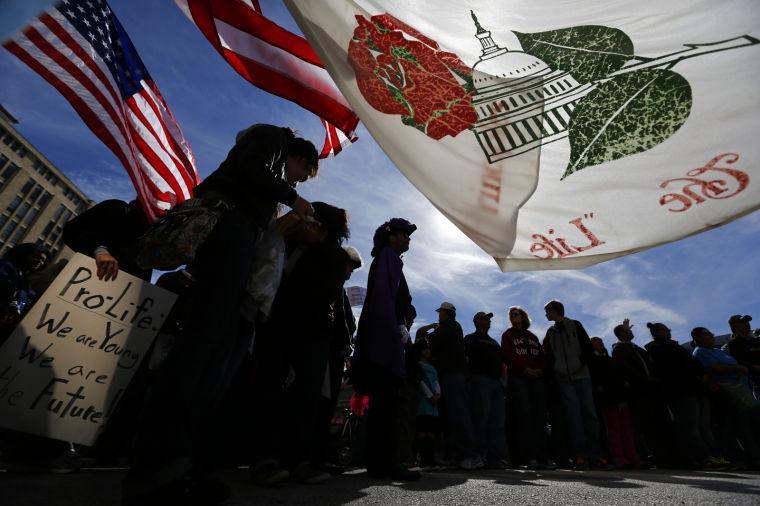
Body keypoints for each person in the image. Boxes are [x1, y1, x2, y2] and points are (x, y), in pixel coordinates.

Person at [123, 124, 319, 505]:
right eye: (302, 173)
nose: (300, 181)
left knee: (212, 355)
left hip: (238, 245)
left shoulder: (265, 183)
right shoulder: (272, 139)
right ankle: (158, 469)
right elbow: (248, 168)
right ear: (299, 158)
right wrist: (292, 198)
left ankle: (180, 464)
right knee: (200, 347)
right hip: (228, 234)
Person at [353, 218, 420, 481]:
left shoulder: (390, 259)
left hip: (385, 339)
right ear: (392, 237)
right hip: (383, 342)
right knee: (386, 405)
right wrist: (396, 325)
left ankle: (380, 462)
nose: (408, 239)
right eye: (404, 235)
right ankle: (385, 463)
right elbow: (384, 298)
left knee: (384, 405)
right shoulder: (388, 257)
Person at [644, 322, 724, 469]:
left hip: (697, 388)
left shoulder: (676, 346)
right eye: (664, 329)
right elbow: (672, 368)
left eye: (668, 329)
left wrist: (702, 375)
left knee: (705, 426)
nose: (668, 331)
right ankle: (703, 457)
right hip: (682, 390)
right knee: (691, 426)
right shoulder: (656, 349)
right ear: (656, 332)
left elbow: (694, 364)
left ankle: (716, 456)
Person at [542, 300, 610, 470]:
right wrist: (556, 372)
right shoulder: (550, 332)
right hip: (564, 379)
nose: (546, 315)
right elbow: (550, 356)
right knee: (573, 417)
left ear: (555, 311)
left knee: (589, 414)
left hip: (582, 376)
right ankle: (580, 455)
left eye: (547, 311)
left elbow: (587, 346)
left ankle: (596, 455)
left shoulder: (575, 325)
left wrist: (580, 364)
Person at [417, 302, 480, 470]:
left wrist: (425, 331)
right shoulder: (451, 328)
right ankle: (455, 455)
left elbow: (428, 339)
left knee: (459, 414)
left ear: (446, 313)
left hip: (454, 375)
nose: (439, 315)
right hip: (449, 375)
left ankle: (470, 455)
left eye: (441, 313)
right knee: (451, 417)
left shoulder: (449, 326)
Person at [692, 327, 760, 468]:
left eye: (711, 333)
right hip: (726, 391)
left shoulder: (717, 351)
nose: (711, 335)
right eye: (706, 334)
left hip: (741, 390)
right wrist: (738, 368)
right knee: (739, 426)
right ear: (697, 338)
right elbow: (715, 368)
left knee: (752, 422)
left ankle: (754, 454)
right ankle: (749, 458)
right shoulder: (700, 352)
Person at [501, 306, 555, 470]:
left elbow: (541, 356)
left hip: (537, 380)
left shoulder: (532, 336)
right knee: (525, 416)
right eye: (511, 315)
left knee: (540, 417)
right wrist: (524, 369)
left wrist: (540, 370)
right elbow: (508, 355)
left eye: (515, 314)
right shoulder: (507, 335)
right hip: (519, 379)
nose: (513, 317)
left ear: (523, 317)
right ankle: (529, 456)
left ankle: (543, 457)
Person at [62, 198, 151, 281]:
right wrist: (100, 251)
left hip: (120, 288)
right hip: (79, 277)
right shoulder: (115, 208)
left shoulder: (152, 236)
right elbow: (72, 231)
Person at [611, 319, 659, 466]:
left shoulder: (638, 349)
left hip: (649, 390)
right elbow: (624, 370)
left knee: (651, 423)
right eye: (627, 331)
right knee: (637, 425)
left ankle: (656, 454)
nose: (631, 332)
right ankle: (642, 455)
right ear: (621, 334)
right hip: (636, 392)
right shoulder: (619, 350)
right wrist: (641, 380)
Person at [464, 311, 509, 468]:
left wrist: (503, 383)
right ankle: (476, 455)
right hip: (479, 381)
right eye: (485, 318)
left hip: (496, 384)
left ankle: (495, 457)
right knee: (480, 418)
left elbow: (503, 364)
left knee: (497, 421)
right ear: (477, 321)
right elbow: (465, 360)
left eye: (489, 319)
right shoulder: (470, 339)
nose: (488, 321)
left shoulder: (494, 342)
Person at [589, 337, 642, 468]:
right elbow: (597, 380)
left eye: (601, 340)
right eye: (595, 340)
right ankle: (619, 457)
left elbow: (620, 376)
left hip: (620, 397)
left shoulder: (611, 360)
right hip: (608, 399)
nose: (600, 342)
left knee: (627, 428)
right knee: (614, 429)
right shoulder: (592, 361)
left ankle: (632, 456)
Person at [0, 243, 47, 343]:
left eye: (43, 260)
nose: (40, 262)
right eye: (37, 257)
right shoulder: (5, 267)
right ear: (24, 254)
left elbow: (26, 301)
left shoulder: (25, 281)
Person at [413, 338, 442, 468]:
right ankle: (423, 459)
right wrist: (430, 396)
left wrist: (437, 394)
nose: (428, 351)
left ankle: (431, 459)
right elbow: (419, 382)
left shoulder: (432, 367)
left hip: (433, 405)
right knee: (422, 432)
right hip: (423, 404)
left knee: (431, 433)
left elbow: (436, 381)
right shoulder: (417, 366)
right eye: (425, 348)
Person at [726, 315, 760, 396]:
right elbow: (739, 361)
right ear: (734, 327)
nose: (746, 323)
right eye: (742, 322)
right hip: (756, 381)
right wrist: (754, 367)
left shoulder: (756, 340)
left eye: (747, 321)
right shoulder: (734, 343)